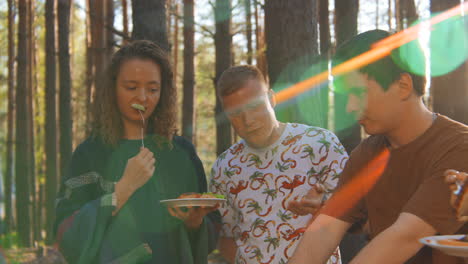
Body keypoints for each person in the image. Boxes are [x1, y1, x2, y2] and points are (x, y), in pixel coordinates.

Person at [289, 29, 468, 264]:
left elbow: (406, 236)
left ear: (403, 85)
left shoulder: (459, 148)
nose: (350, 108)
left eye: (358, 93)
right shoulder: (366, 155)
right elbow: (324, 230)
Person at [54, 40, 219, 264]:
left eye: (153, 89)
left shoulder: (180, 152)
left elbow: (210, 235)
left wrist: (194, 222)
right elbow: (66, 233)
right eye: (131, 87)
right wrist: (123, 189)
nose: (142, 97)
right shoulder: (90, 153)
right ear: (113, 89)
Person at [209, 65, 348, 264]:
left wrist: (324, 205)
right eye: (235, 113)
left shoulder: (320, 144)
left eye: (254, 105)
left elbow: (355, 212)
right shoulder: (224, 167)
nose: (248, 120)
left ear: (272, 99)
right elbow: (226, 236)